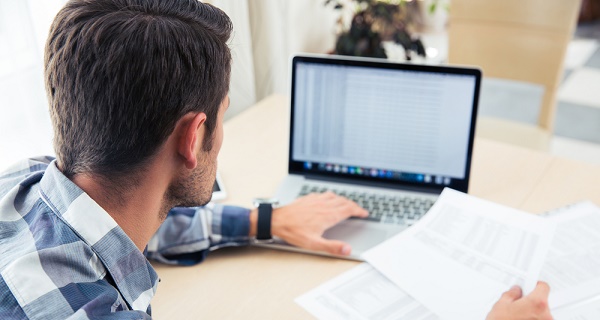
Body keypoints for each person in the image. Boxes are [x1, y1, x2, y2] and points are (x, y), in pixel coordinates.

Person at [0, 0, 551, 319]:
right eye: (223, 116)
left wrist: (268, 220)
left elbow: (126, 231)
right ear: (194, 138)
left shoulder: (27, 186)